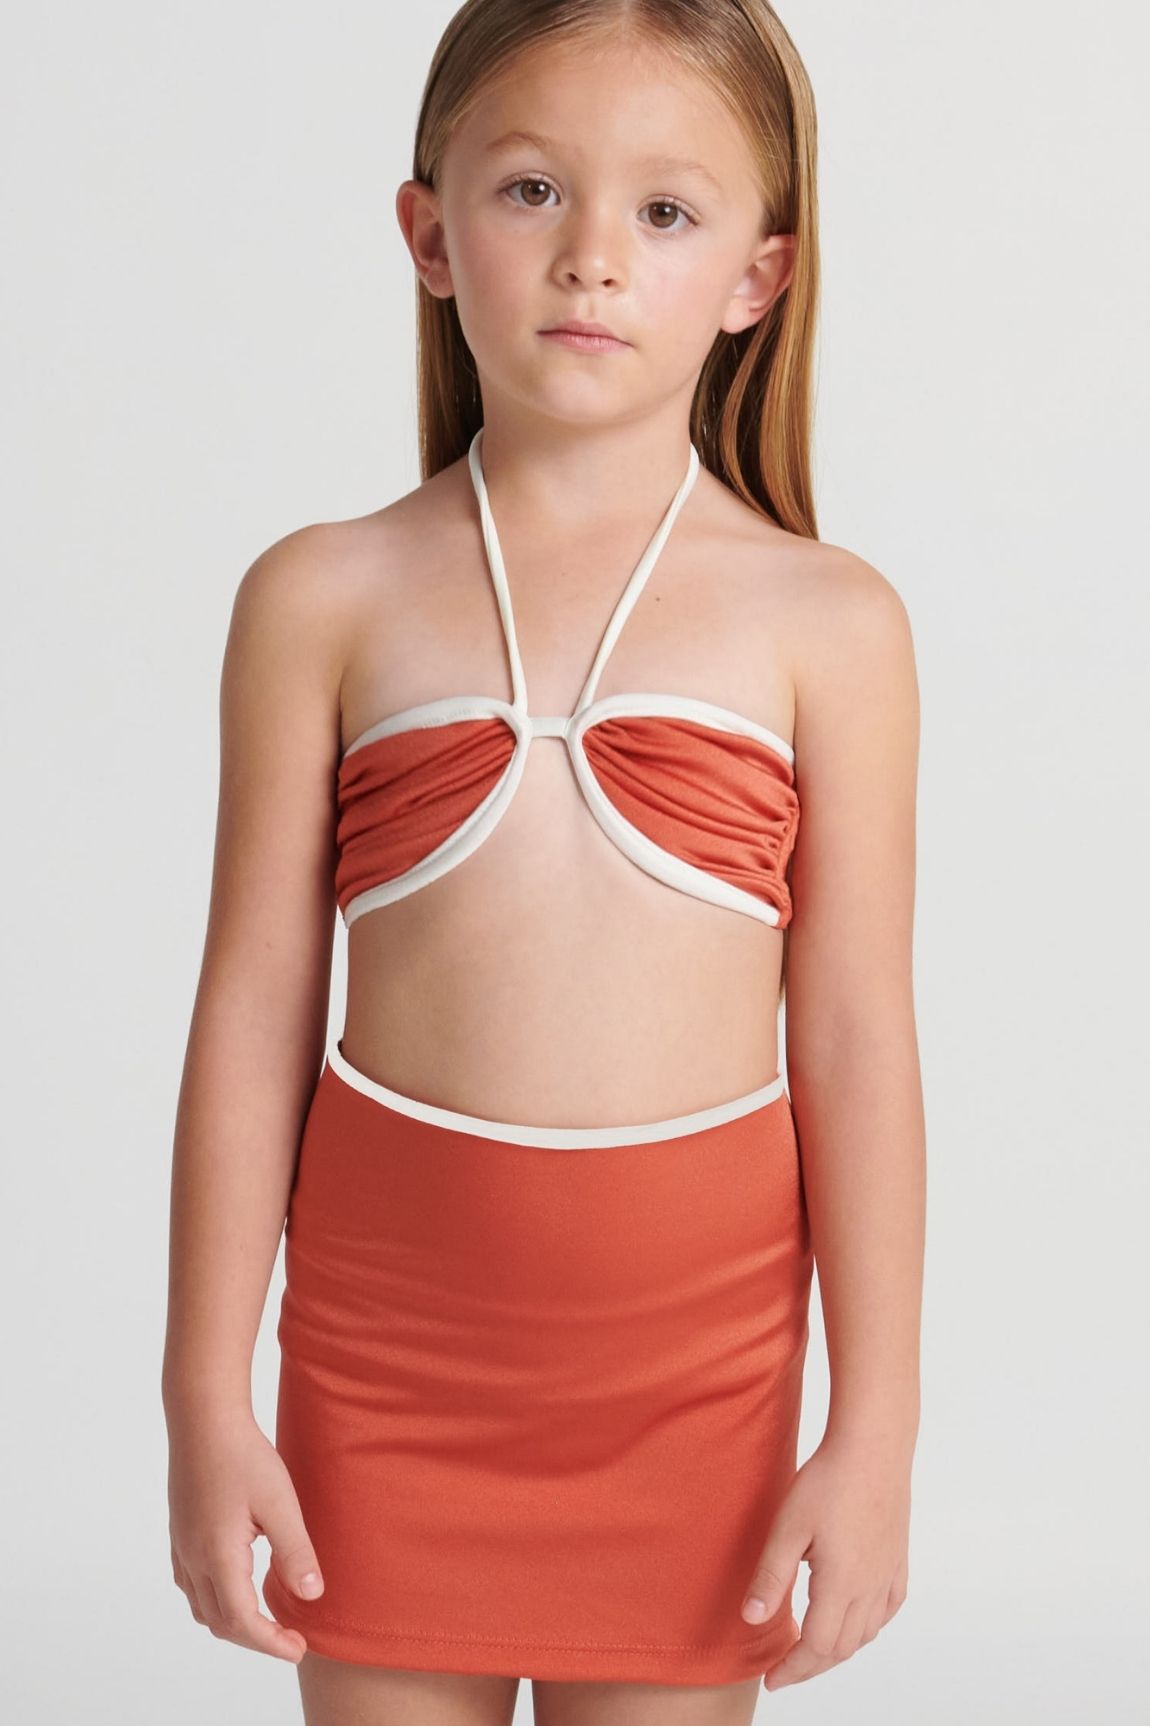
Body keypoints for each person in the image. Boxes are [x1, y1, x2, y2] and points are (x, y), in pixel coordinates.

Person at [162, 2, 925, 1722]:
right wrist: (203, 1393)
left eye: (664, 210)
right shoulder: (321, 596)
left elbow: (857, 1040)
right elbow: (253, 1011)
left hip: (694, 1383)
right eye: (529, 191)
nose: (592, 257)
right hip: (385, 1362)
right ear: (430, 233)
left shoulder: (831, 624)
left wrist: (872, 1427)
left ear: (757, 274)